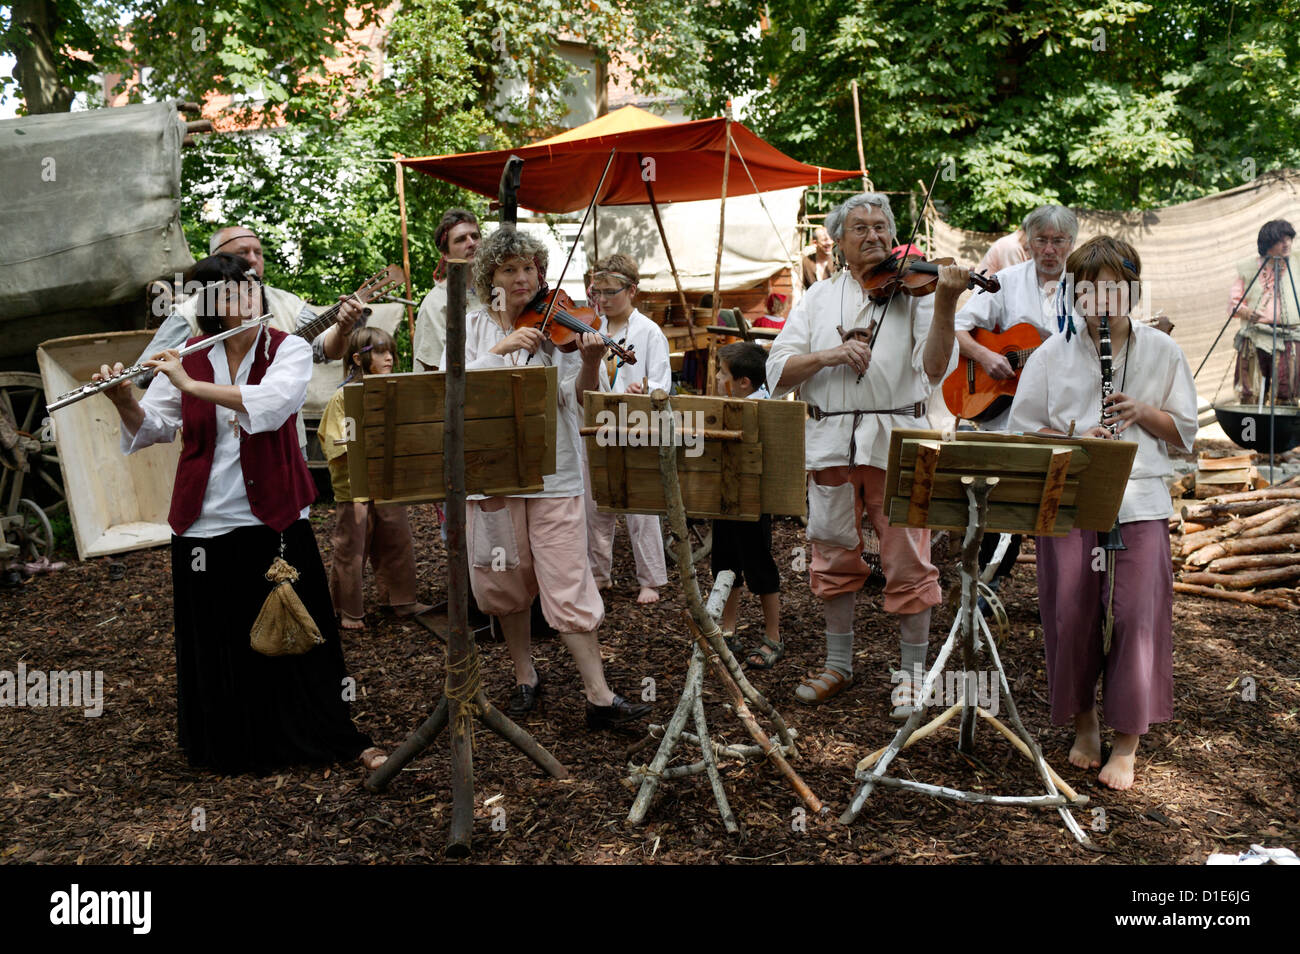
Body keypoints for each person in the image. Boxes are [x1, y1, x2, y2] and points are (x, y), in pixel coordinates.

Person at [93, 253, 384, 774]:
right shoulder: (188, 354)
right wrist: (121, 399)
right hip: (204, 521)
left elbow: (269, 406)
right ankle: (232, 746)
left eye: (249, 286)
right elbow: (154, 425)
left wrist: (189, 385)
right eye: (229, 293)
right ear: (210, 308)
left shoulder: (287, 348)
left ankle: (323, 735)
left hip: (272, 519)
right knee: (219, 637)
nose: (247, 297)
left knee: (299, 634)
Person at [1009, 236, 1197, 791]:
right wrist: (1074, 437)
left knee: (1138, 615)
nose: (1101, 298)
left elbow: (1185, 435)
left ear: (1132, 290)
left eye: (1114, 286)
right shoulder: (1049, 355)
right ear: (1074, 292)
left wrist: (1143, 412)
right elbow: (1024, 431)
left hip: (1140, 497)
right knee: (1070, 612)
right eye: (1088, 287)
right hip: (1070, 496)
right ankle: (1084, 721)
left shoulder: (1163, 353)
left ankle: (1128, 740)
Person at [447, 228, 651, 730]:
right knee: (505, 580)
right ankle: (525, 676)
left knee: (568, 578)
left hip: (554, 473)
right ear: (488, 277)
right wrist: (500, 350)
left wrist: (588, 361)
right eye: (509, 269)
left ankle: (599, 696)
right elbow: (449, 390)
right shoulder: (471, 327)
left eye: (530, 268)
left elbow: (579, 401)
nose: (523, 278)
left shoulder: (565, 332)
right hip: (492, 475)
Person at [766, 192, 961, 713]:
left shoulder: (918, 294)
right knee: (831, 554)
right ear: (838, 239)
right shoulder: (817, 297)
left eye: (882, 227)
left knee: (910, 560)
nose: (874, 236)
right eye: (861, 228)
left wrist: (944, 303)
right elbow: (776, 371)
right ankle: (839, 665)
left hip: (899, 442)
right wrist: (831, 354)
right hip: (829, 444)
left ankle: (913, 678)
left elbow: (937, 368)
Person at [138, 225, 368, 451]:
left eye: (257, 252)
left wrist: (343, 328)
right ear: (218, 259)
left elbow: (326, 350)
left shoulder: (290, 303)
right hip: (212, 444)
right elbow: (145, 373)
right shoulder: (192, 309)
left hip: (282, 443)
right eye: (242, 253)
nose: (252, 259)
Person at [955, 204, 1078, 595]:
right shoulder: (1004, 281)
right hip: (1004, 415)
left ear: (1071, 244)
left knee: (1055, 499)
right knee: (999, 500)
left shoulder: (1087, 286)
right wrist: (986, 356)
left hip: (1062, 415)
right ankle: (985, 588)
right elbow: (958, 327)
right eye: (1041, 240)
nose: (1049, 249)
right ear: (1027, 241)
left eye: (1058, 241)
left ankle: (1062, 594)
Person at [318, 327, 431, 630]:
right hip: (355, 487)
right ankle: (348, 609)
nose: (389, 357)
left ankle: (401, 599)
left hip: (388, 483)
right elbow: (336, 443)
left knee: (397, 540)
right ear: (358, 358)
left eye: (390, 351)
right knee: (351, 548)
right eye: (380, 352)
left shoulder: (392, 391)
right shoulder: (344, 396)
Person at [582, 253, 671, 604]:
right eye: (596, 292)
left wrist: (644, 389)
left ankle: (650, 579)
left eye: (609, 292)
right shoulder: (591, 330)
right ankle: (597, 575)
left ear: (631, 290)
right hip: (599, 425)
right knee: (596, 504)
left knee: (641, 508)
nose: (601, 300)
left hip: (637, 428)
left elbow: (661, 385)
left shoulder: (650, 332)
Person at [713, 342, 782, 669]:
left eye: (722, 373)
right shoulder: (725, 404)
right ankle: (728, 629)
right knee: (725, 563)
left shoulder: (763, 408)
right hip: (724, 500)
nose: (715, 376)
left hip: (753, 504)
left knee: (759, 567)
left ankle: (773, 636)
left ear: (743, 382)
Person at [1229, 219, 1299, 404]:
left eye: (1289, 239)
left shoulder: (1297, 263)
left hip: (1290, 336)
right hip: (1257, 336)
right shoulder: (1250, 268)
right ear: (1268, 244)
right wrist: (1246, 313)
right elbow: (1234, 302)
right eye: (1281, 240)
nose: (1287, 244)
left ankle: (1283, 431)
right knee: (1252, 390)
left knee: (1286, 391)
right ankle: (1252, 430)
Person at [414, 209, 483, 372]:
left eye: (475, 236)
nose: (471, 243)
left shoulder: (494, 291)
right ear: (445, 254)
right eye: (460, 239)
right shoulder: (435, 304)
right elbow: (435, 371)